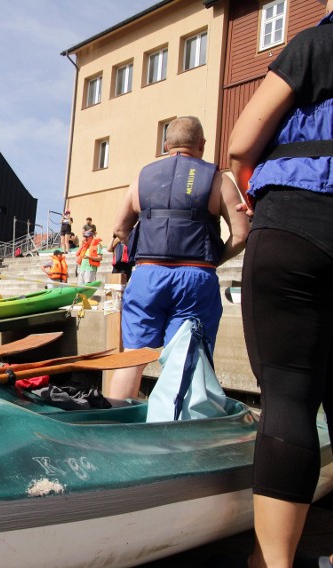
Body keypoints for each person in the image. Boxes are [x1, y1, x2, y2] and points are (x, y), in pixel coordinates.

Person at [228, 3, 333, 565]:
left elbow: (242, 144)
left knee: (290, 401)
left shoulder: (314, 44)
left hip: (296, 223)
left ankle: (274, 562)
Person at [110, 115, 248, 401]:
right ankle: (174, 429)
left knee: (133, 358)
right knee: (186, 359)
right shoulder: (217, 178)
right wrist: (214, 259)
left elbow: (120, 229)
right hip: (195, 278)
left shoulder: (142, 178)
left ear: (166, 144)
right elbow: (242, 233)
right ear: (202, 144)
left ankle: (113, 421)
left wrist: (142, 252)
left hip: (147, 275)